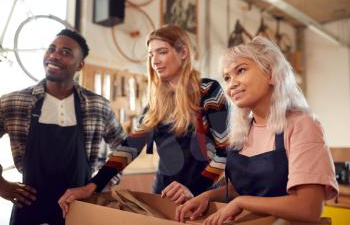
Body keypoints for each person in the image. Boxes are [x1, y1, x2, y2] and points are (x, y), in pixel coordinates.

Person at [58, 24, 229, 216]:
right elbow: (128, 148)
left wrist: (195, 189)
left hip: (202, 199)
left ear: (183, 53)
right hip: (163, 197)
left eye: (162, 52)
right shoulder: (155, 105)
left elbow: (225, 151)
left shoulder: (208, 92)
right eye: (151, 55)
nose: (155, 61)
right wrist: (93, 185)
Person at [175, 36, 338, 224]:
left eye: (241, 70)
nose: (231, 84)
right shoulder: (242, 132)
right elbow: (247, 189)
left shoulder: (301, 124)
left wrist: (242, 202)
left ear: (270, 74)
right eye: (227, 78)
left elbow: (308, 208)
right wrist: (208, 197)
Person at [0, 29, 126, 225]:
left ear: (80, 65)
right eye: (51, 49)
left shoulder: (97, 105)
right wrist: (1, 185)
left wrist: (99, 184)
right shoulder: (14, 102)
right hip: (28, 208)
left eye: (65, 52)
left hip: (80, 208)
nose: (54, 56)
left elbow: (124, 147)